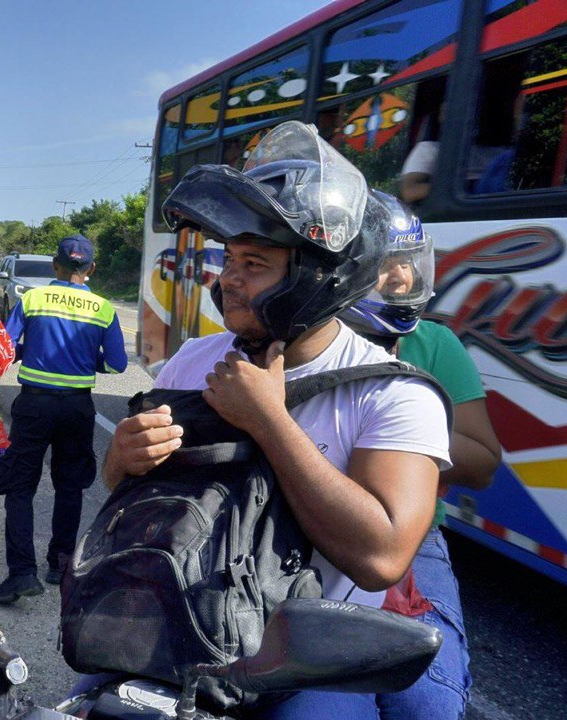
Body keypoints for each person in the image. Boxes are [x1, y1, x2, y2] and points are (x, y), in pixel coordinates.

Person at [104, 121, 451, 719]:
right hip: (182, 630)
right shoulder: (193, 359)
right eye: (230, 259)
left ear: (319, 278)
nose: (228, 280)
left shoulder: (394, 394)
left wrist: (269, 420)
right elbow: (123, 490)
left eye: (255, 263)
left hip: (304, 664)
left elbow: (382, 558)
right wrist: (123, 458)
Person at [339, 194, 501, 720]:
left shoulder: (432, 343)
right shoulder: (308, 338)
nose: (403, 277)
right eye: (387, 263)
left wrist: (400, 414)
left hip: (413, 537)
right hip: (311, 530)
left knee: (428, 704)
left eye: (409, 262)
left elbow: (482, 463)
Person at [0, 234, 127, 604]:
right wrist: (87, 361)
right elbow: (117, 364)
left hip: (33, 406)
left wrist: (27, 351)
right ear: (91, 268)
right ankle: (60, 564)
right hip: (77, 408)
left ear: (55, 264)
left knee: (20, 487)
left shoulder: (32, 299)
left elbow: (4, 348)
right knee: (69, 486)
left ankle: (21, 574)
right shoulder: (102, 307)